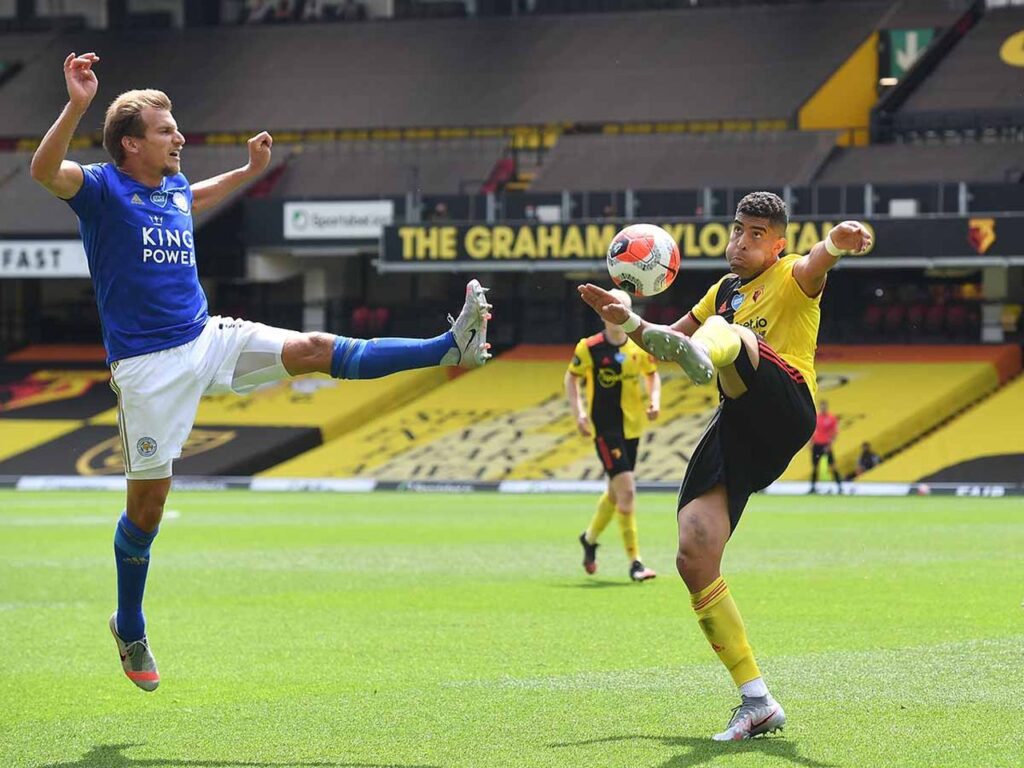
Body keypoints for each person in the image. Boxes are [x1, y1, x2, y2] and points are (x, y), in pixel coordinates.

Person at [31, 52, 492, 693]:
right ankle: (129, 621)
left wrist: (247, 171)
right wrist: (79, 103)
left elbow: (195, 196)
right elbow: (43, 170)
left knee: (312, 346)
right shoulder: (103, 190)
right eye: (167, 131)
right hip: (147, 371)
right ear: (131, 144)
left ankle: (448, 347)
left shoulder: (169, 191)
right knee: (149, 509)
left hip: (206, 337)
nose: (180, 137)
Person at [578, 191, 871, 740]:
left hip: (786, 404)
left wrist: (840, 240)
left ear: (778, 242)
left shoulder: (792, 276)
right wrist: (629, 322)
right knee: (693, 551)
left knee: (732, 336)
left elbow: (818, 260)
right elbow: (670, 345)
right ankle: (756, 699)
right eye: (737, 230)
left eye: (755, 234)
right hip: (738, 418)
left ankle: (714, 354)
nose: (740, 241)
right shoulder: (723, 291)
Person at [565, 289, 660, 583]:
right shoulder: (589, 348)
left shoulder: (639, 347)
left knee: (614, 492)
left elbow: (653, 374)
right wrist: (579, 412)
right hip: (605, 431)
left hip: (632, 429)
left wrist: (654, 399)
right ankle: (636, 562)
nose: (619, 313)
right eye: (614, 307)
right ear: (603, 312)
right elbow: (571, 378)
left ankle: (589, 539)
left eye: (625, 307)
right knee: (628, 492)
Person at [809, 399, 842, 493]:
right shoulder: (816, 417)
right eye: (822, 406)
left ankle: (840, 487)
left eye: (824, 406)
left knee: (833, 466)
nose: (823, 408)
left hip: (826, 445)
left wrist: (830, 444)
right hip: (817, 445)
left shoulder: (831, 418)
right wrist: (811, 443)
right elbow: (813, 431)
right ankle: (812, 488)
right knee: (815, 467)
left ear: (827, 407)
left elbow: (835, 433)